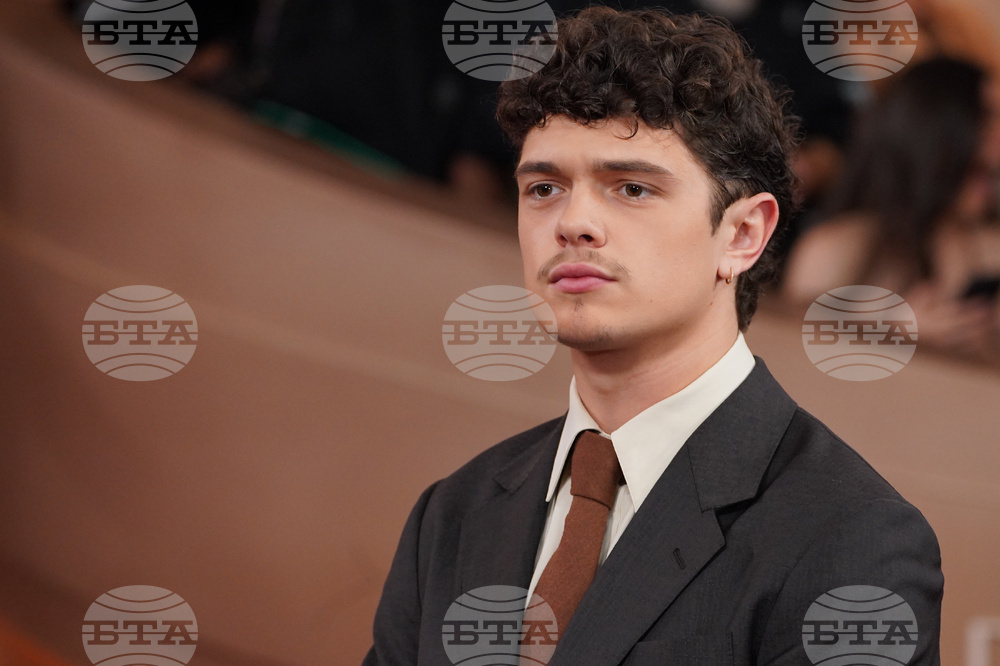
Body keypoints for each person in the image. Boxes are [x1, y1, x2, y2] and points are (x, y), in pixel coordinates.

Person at [364, 8, 943, 664]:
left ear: (743, 234)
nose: (573, 222)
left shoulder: (852, 539)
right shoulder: (452, 515)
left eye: (632, 188)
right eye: (545, 187)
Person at [783, 57, 1000, 356]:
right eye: (987, 117)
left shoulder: (990, 255)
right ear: (933, 131)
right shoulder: (833, 249)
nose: (997, 145)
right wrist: (887, 329)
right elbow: (788, 353)